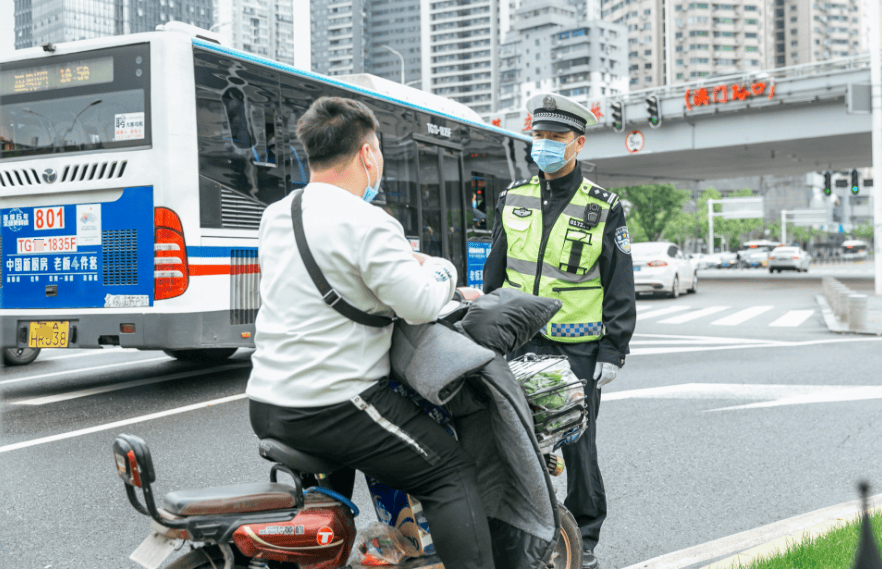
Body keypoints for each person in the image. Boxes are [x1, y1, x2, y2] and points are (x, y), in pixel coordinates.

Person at [247, 97, 495, 569]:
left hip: (267, 401)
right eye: (377, 149)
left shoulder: (278, 214)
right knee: (450, 472)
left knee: (330, 489)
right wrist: (441, 266)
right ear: (366, 154)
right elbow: (421, 303)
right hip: (334, 406)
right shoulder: (368, 222)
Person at [483, 93, 636, 569]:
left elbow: (619, 284)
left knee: (577, 444)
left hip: (578, 349)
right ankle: (524, 526)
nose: (544, 145)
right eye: (539, 136)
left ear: (578, 143)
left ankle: (583, 538)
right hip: (518, 343)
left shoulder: (604, 207)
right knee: (512, 439)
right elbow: (495, 275)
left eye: (555, 138)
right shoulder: (513, 198)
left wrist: (613, 349)